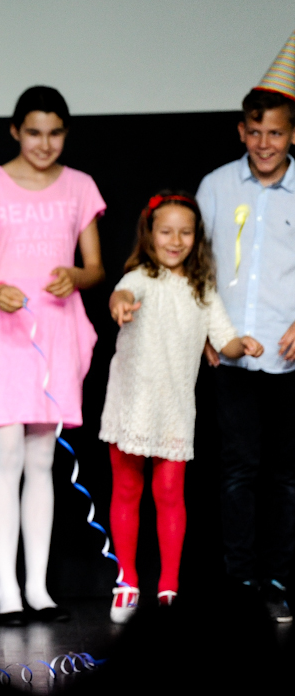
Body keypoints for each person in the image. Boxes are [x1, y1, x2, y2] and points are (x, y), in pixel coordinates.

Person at [0, 86, 106, 625]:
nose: (44, 143)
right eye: (34, 132)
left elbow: (94, 267)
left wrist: (75, 276)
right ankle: (6, 590)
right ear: (15, 131)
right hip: (4, 331)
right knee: (7, 455)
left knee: (43, 459)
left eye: (55, 133)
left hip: (57, 330)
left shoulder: (80, 186)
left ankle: (38, 588)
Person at [100, 192, 263, 623]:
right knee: (127, 490)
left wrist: (240, 345)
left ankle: (168, 587)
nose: (176, 241)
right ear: (149, 233)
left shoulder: (201, 288)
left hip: (174, 406)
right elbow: (121, 294)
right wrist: (120, 304)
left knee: (170, 495)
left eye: (185, 233)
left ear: (197, 237)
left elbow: (224, 337)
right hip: (131, 402)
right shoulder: (139, 277)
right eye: (166, 231)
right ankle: (127, 581)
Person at [195, 36, 295, 623]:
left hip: (288, 356)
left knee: (285, 475)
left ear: (292, 135)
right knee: (236, 470)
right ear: (240, 131)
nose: (264, 144)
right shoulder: (216, 186)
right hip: (232, 355)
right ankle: (240, 582)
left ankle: (278, 580)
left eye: (275, 133)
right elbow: (198, 265)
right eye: (254, 132)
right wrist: (211, 333)